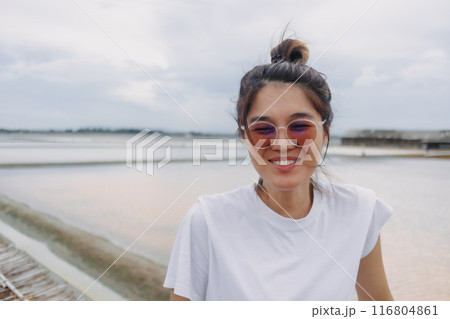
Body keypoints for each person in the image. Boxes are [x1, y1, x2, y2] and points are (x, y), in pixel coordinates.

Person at [163, 38, 394, 301]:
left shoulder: (359, 211)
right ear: (244, 138)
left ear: (325, 133)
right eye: (263, 129)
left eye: (300, 126)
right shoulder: (207, 220)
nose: (282, 144)